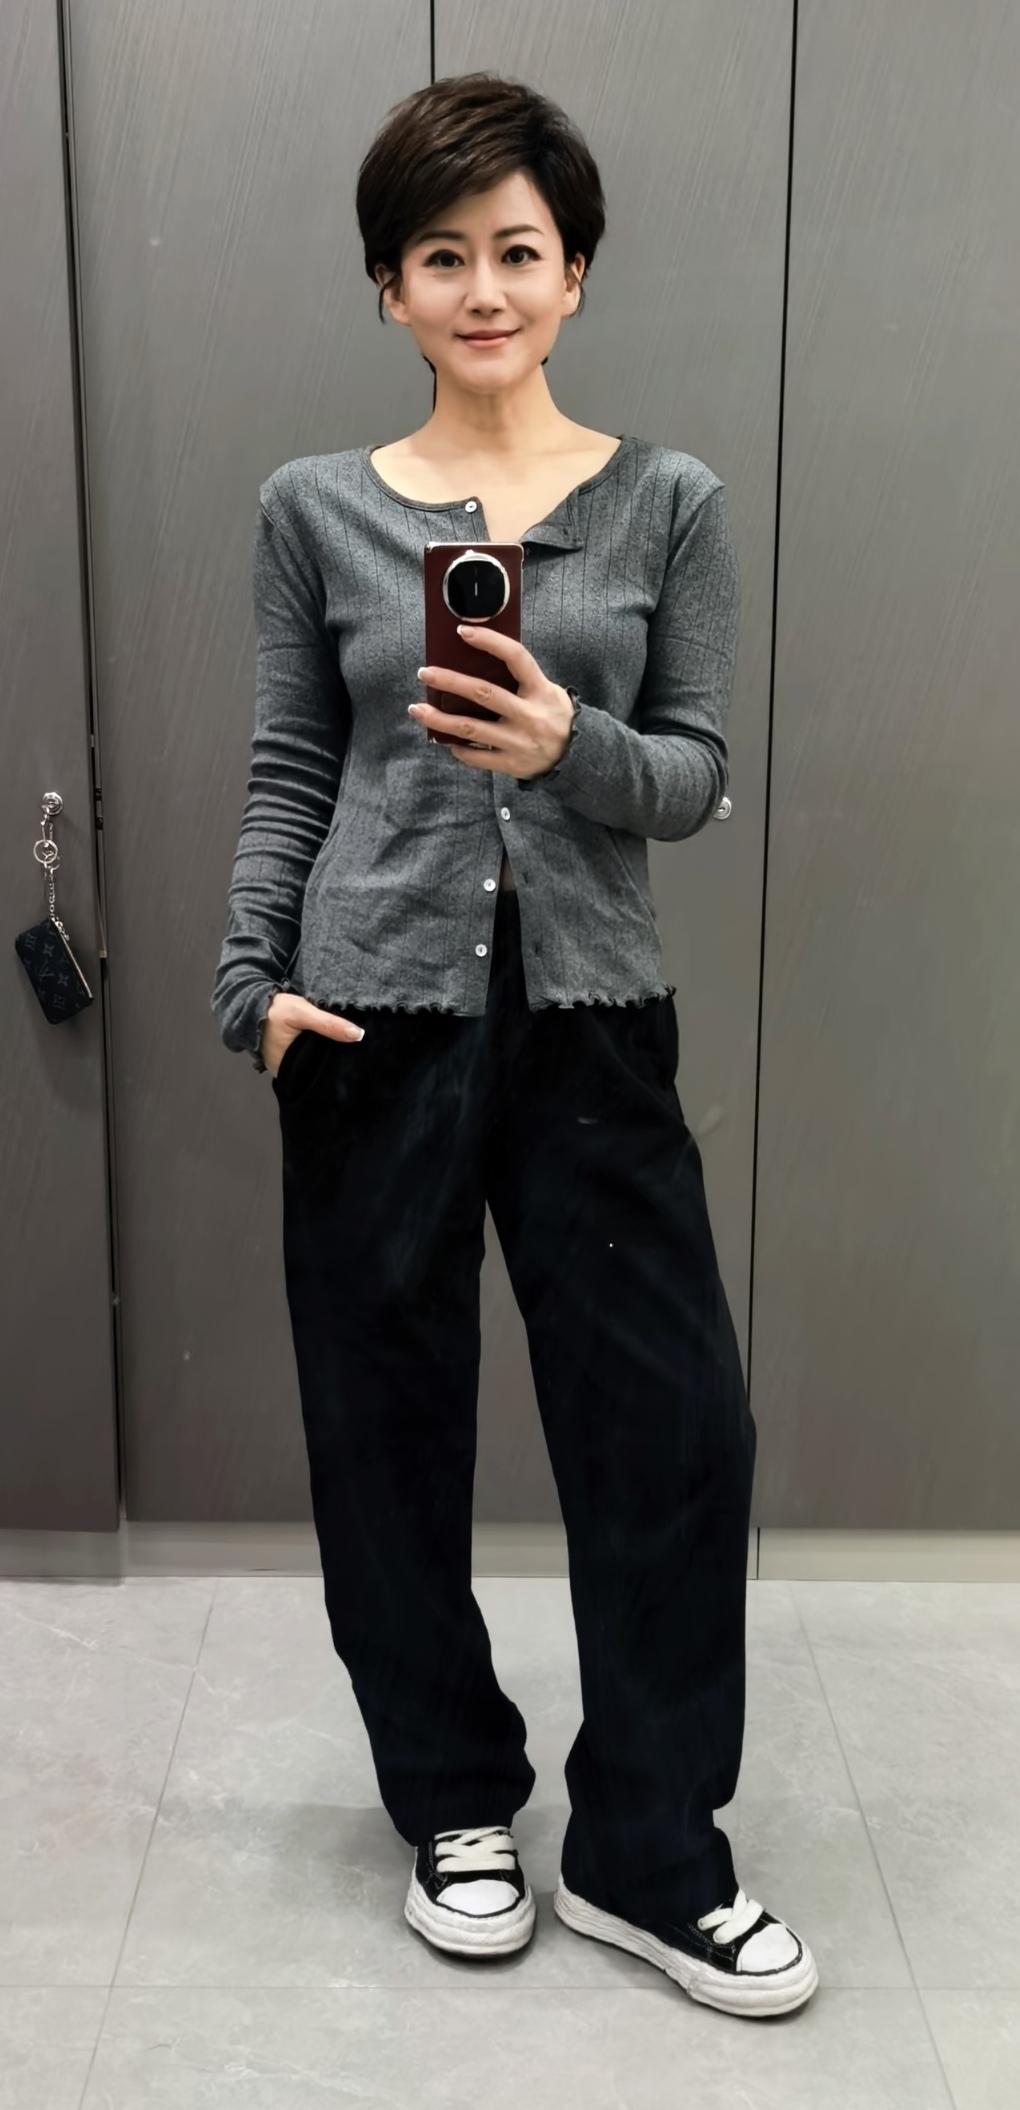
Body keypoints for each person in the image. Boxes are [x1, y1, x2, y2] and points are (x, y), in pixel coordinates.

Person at [210, 70, 817, 2018]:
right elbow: (291, 765)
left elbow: (699, 776)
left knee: (679, 1433)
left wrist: (572, 744)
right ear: (390, 287)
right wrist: (251, 983)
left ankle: (651, 1849)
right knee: (384, 1433)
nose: (485, 288)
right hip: (366, 1023)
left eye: (520, 251)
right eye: (441, 254)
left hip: (591, 1028)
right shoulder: (312, 509)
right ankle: (458, 1802)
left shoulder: (671, 501)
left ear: (576, 274)